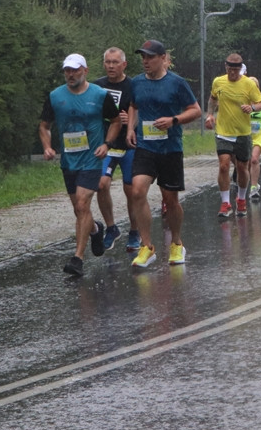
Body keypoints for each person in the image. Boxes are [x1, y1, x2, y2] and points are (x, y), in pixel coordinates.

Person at [38, 53, 120, 276]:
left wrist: (107, 144)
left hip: (92, 158)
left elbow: (115, 121)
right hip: (69, 160)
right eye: (67, 70)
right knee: (79, 209)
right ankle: (95, 229)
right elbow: (44, 125)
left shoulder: (101, 95)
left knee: (83, 204)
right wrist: (47, 146)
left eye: (74, 70)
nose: (70, 74)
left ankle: (77, 259)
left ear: (85, 70)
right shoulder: (55, 96)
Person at [125, 40, 202, 268]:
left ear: (162, 58)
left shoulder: (176, 83)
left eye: (150, 57)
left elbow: (195, 110)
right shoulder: (137, 82)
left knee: (170, 200)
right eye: (143, 57)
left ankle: (176, 243)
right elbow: (133, 106)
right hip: (145, 147)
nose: (145, 61)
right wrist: (130, 128)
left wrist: (173, 120)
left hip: (170, 148)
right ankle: (147, 247)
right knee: (137, 190)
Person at [93, 47, 141, 253]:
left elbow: (138, 110)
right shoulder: (97, 86)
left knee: (131, 191)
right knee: (101, 184)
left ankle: (135, 231)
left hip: (129, 145)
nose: (111, 66)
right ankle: (111, 228)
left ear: (124, 64)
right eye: (108, 62)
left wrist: (129, 122)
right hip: (107, 144)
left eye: (115, 62)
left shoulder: (133, 86)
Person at [205, 53, 261, 218]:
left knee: (241, 168)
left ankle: (241, 199)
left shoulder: (248, 84)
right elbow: (212, 99)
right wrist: (210, 114)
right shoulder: (218, 81)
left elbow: (260, 104)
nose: (232, 73)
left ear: (240, 70)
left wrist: (252, 108)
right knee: (223, 165)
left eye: (236, 70)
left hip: (242, 133)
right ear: (226, 67)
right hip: (223, 131)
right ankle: (225, 203)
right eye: (230, 69)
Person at [247, 76, 261, 201]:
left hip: (260, 134)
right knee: (246, 163)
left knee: (254, 159)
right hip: (246, 135)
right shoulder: (243, 101)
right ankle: (248, 182)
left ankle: (254, 188)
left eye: (254, 86)